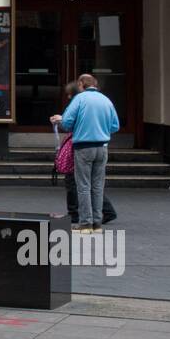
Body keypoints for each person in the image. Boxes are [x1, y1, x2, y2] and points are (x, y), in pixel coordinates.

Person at [51, 73, 120, 233]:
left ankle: (85, 224)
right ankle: (97, 224)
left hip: (83, 148)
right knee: (97, 186)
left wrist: (80, 126)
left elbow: (67, 123)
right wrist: (100, 129)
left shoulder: (79, 99)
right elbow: (115, 126)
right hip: (102, 147)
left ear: (81, 84)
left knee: (83, 186)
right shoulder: (106, 100)